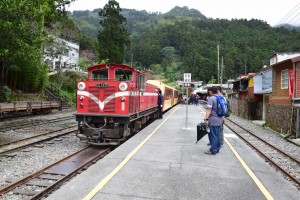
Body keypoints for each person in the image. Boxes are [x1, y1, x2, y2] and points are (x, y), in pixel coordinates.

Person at [203, 86, 223, 155]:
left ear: (211, 91)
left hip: (213, 120)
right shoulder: (220, 98)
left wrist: (206, 119)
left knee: (213, 135)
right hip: (220, 120)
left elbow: (209, 110)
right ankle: (217, 148)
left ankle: (213, 150)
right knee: (217, 135)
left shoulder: (211, 98)